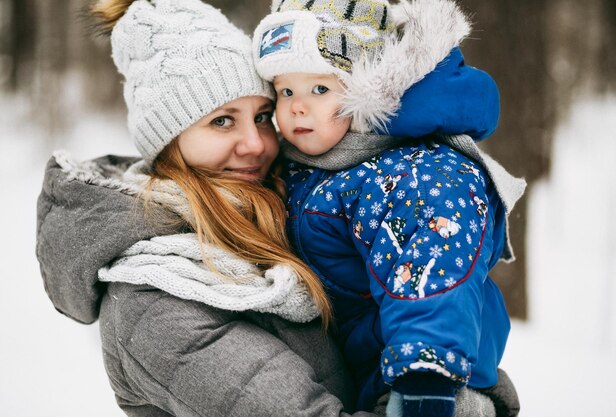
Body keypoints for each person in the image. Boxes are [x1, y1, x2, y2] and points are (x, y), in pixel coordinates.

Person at [36, 0, 377, 415]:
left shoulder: (289, 209)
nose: (256, 144)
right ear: (168, 141)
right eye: (222, 121)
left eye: (263, 116)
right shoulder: (155, 302)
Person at [252, 0, 525, 416]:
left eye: (320, 89)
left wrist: (424, 376)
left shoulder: (413, 173)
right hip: (369, 358)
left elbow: (432, 262)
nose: (297, 107)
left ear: (369, 90)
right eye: (286, 91)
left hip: (422, 371)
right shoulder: (312, 164)